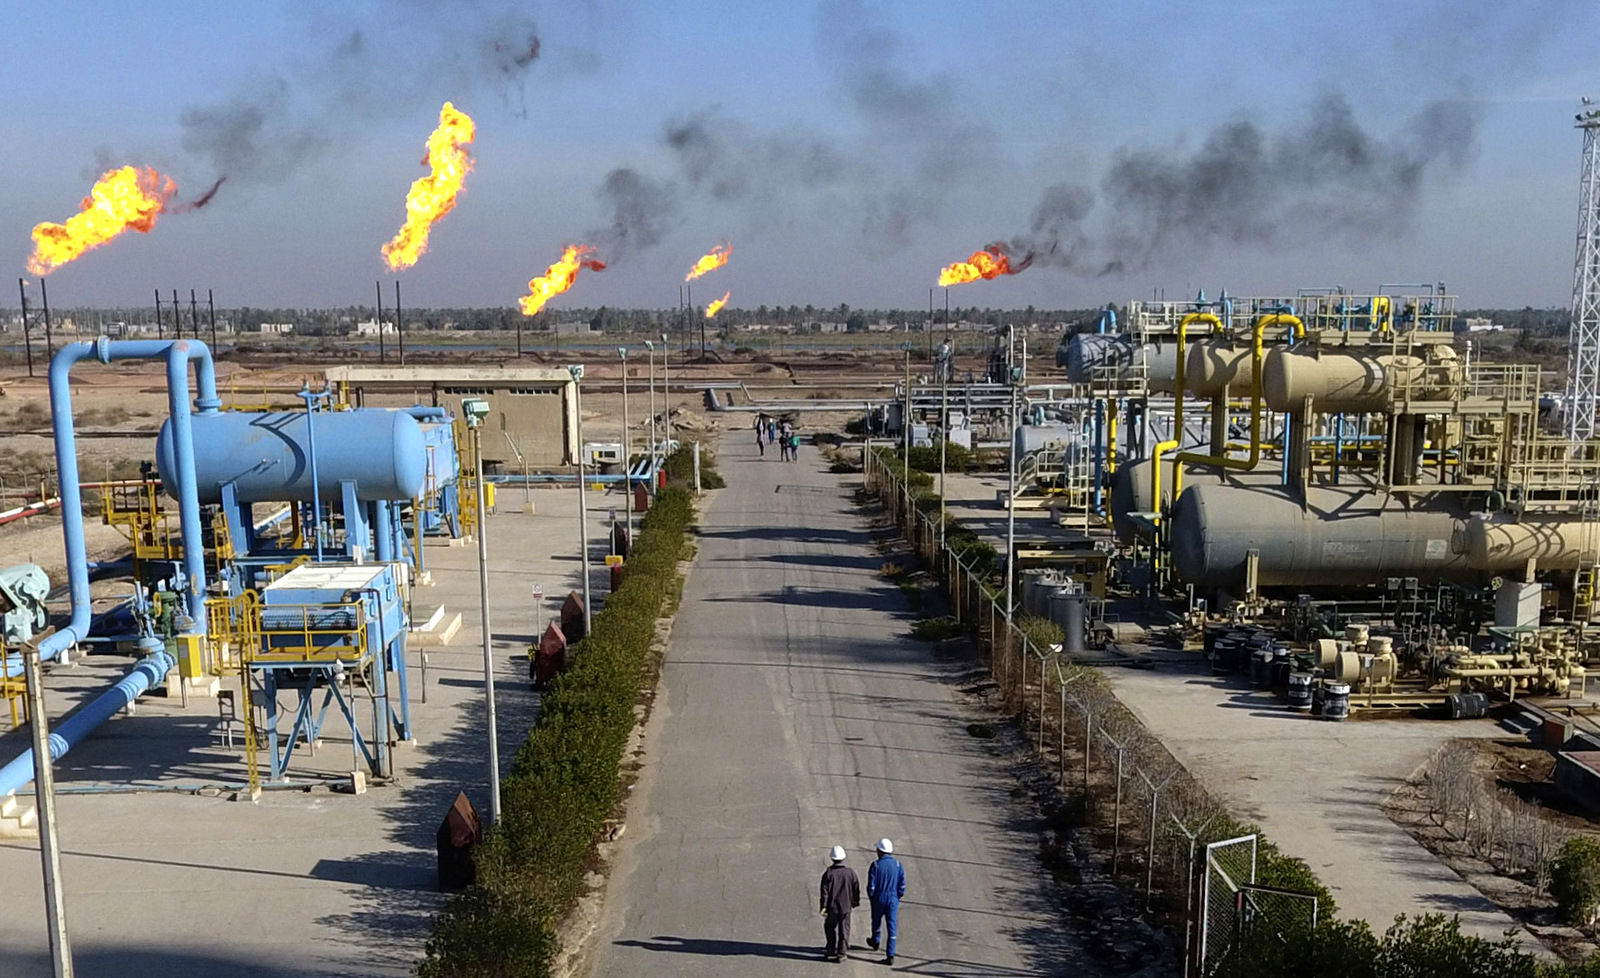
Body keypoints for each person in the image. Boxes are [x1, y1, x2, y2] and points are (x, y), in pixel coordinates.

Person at [866, 838, 906, 965]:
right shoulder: (898, 865)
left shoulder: (875, 866)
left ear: (879, 851)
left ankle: (876, 940)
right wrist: (897, 897)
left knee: (876, 921)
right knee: (892, 926)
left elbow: (871, 887)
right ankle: (890, 955)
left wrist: (873, 898)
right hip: (893, 899)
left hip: (879, 898)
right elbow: (902, 886)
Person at [819, 845, 860, 963]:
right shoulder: (850, 873)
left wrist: (823, 906)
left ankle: (831, 949)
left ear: (832, 858)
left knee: (829, 927)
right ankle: (842, 953)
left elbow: (824, 892)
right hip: (846, 907)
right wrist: (855, 901)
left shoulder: (828, 874)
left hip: (832, 908)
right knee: (844, 929)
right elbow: (856, 888)